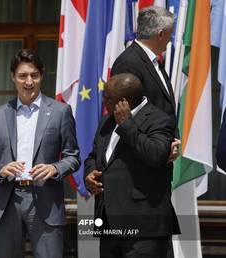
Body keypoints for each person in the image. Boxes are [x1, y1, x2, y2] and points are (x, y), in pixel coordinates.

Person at [0, 49, 81, 258]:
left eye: (34, 75)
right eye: (22, 76)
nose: (29, 82)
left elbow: (73, 156)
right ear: (13, 77)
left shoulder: (60, 111)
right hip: (8, 200)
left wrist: (54, 168)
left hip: (45, 201)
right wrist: (1, 169)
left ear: (41, 76)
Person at [84, 73, 180, 258]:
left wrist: (127, 124)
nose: (103, 100)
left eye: (108, 97)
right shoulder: (106, 121)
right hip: (109, 224)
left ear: (124, 102)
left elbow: (155, 155)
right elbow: (94, 156)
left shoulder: (159, 119)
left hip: (144, 229)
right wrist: (89, 174)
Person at [111, 6, 180, 162]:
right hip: (140, 164)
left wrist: (171, 141)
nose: (171, 38)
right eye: (171, 33)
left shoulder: (153, 61)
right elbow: (126, 115)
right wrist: (159, 144)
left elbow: (164, 106)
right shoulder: (128, 62)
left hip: (158, 156)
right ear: (161, 34)